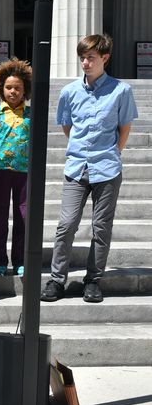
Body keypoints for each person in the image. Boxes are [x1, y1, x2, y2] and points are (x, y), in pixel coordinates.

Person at [41, 34, 138, 303]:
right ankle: (57, 279)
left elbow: (125, 127)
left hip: (107, 167)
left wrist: (114, 152)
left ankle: (93, 280)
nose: (85, 62)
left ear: (104, 58)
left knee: (101, 226)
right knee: (66, 223)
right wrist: (79, 147)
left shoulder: (121, 91)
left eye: (90, 57)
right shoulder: (69, 91)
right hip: (76, 166)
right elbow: (66, 125)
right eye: (82, 57)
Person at [0, 58, 32, 277]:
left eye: (17, 88)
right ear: (1, 88)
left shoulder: (30, 114)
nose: (13, 91)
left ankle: (21, 260)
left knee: (24, 217)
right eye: (9, 87)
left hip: (24, 174)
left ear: (24, 90)